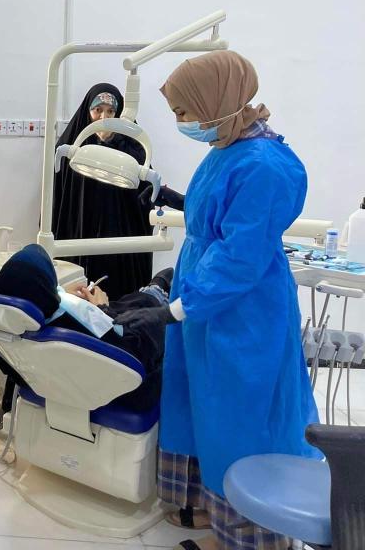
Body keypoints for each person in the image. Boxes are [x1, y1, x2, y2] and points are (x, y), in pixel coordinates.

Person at [112, 50, 319, 550]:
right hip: (206, 303)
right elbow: (219, 216)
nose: (181, 122)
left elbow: (238, 257)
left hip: (241, 312)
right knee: (201, 403)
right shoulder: (227, 148)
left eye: (184, 111)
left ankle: (247, 535)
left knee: (239, 417)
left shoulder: (265, 165)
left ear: (215, 100)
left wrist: (175, 309)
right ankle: (210, 512)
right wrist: (172, 197)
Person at [0, 244, 170, 422]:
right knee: (141, 306)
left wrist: (59, 293)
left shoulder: (12, 327)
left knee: (129, 304)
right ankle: (155, 292)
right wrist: (103, 309)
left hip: (57, 383)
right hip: (124, 388)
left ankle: (151, 293)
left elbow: (33, 295)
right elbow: (132, 348)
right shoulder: (82, 323)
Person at [52, 83, 162, 298]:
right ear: (88, 112)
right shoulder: (73, 147)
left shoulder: (133, 148)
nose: (104, 117)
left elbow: (145, 195)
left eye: (111, 111)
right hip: (80, 233)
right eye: (98, 110)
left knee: (119, 294)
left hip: (120, 235)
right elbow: (57, 197)